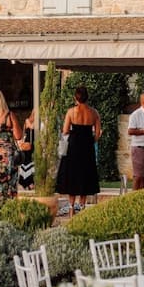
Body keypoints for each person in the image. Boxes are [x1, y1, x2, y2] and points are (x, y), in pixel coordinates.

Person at [56, 86, 101, 217]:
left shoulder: (71, 112)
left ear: (75, 97)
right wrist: (91, 140)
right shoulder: (94, 113)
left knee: (73, 175)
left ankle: (71, 208)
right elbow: (97, 134)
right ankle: (82, 207)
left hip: (74, 146)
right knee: (85, 175)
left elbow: (65, 131)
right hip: (87, 146)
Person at [18, 110, 35, 191]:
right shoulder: (29, 121)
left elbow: (23, 133)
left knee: (28, 162)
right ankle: (30, 183)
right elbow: (24, 133)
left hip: (29, 144)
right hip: (30, 144)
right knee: (29, 162)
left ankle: (28, 182)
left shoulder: (27, 121)